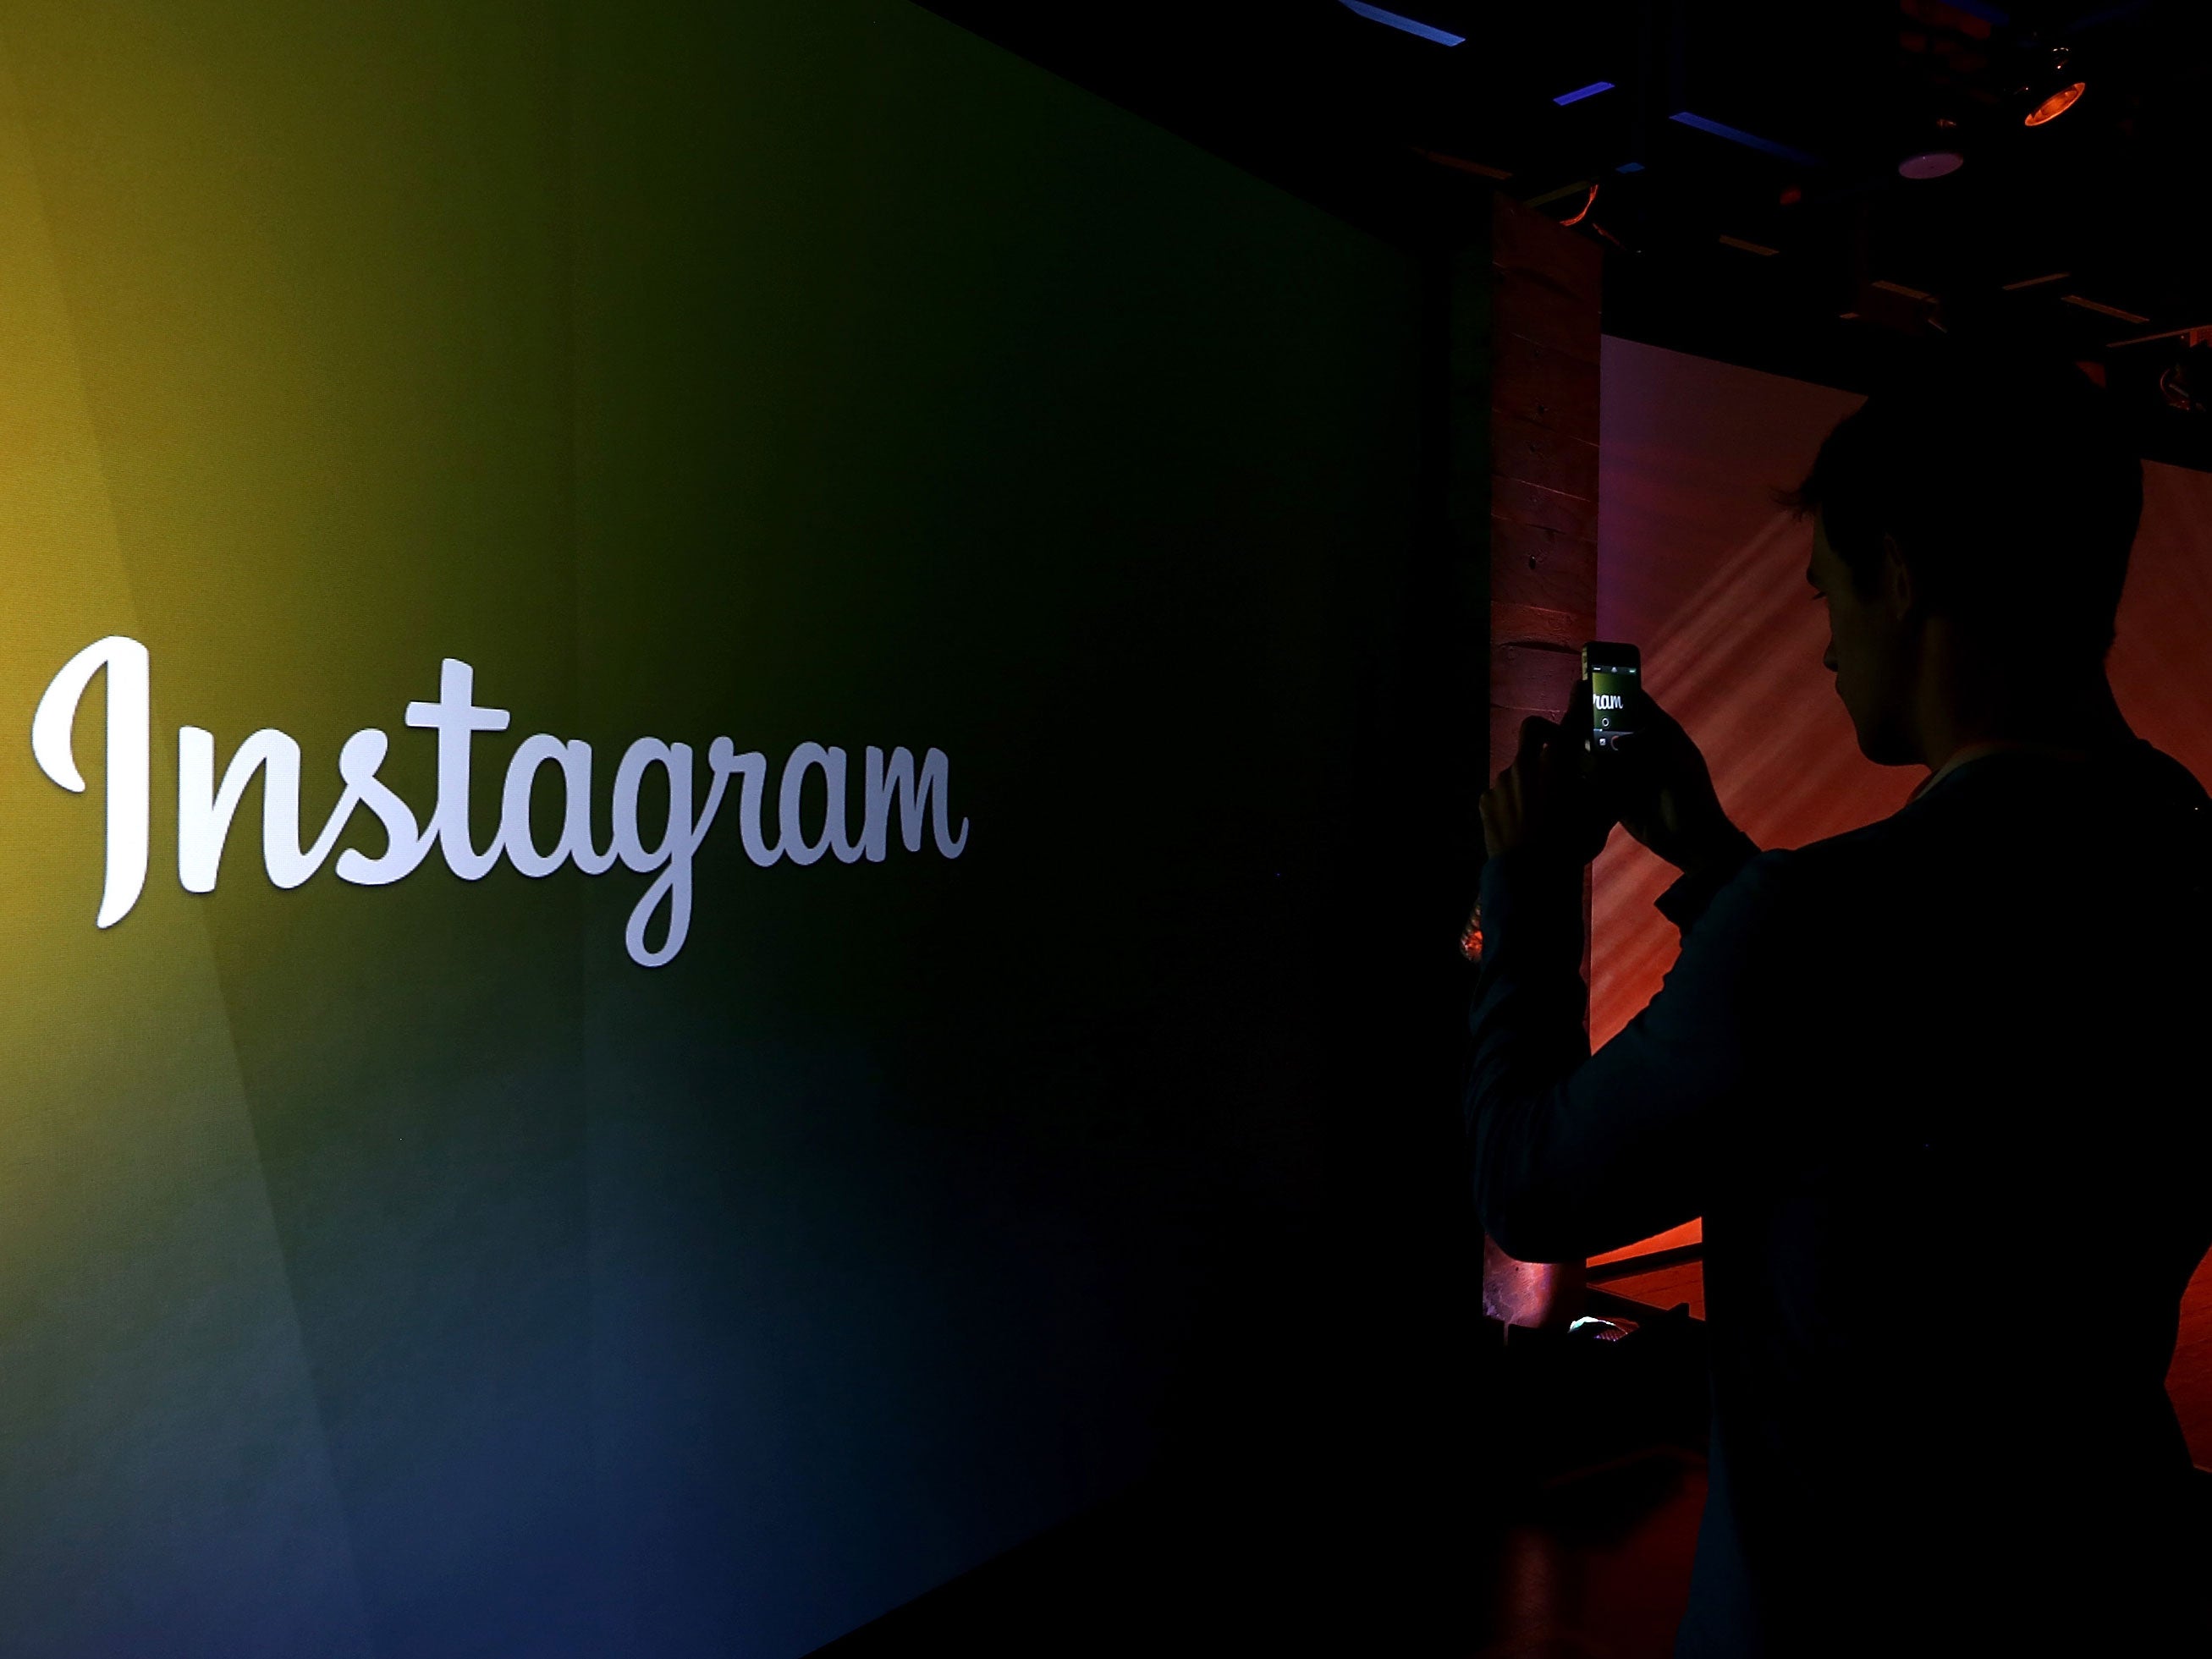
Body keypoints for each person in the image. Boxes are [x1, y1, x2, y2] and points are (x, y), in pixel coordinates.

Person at [1464, 349, 2212, 1656]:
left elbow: (1531, 1183)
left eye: (1828, 594)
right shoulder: (2188, 853)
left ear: (1904, 580)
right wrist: (1718, 858)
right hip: (2105, 1579)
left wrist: (1527, 893)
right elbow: (1921, 1038)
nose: (1822, 645)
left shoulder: (1816, 928)